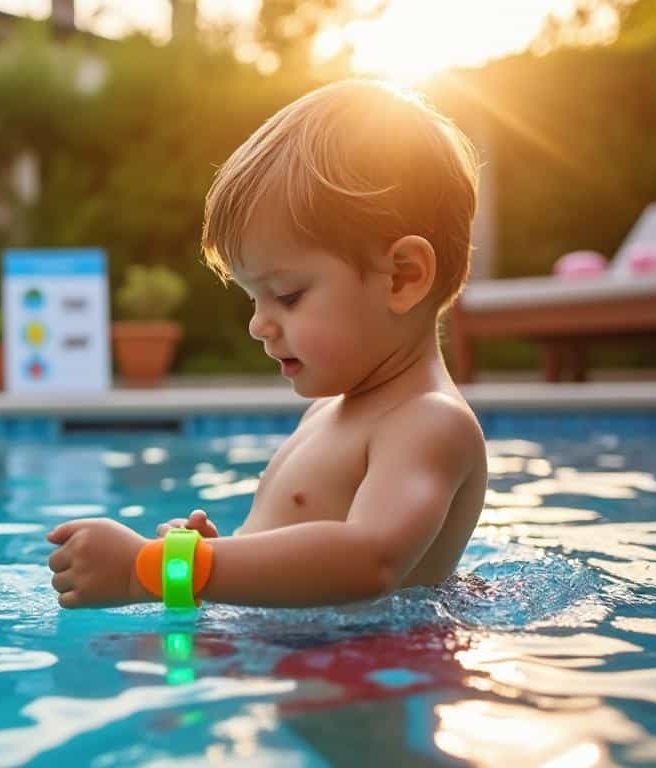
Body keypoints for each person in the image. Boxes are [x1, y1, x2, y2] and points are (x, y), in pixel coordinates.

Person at [47, 80, 488, 608]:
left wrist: (161, 568)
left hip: (362, 675)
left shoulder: (429, 422)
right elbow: (296, 561)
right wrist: (217, 556)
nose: (259, 324)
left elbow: (369, 559)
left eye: (287, 295)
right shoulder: (328, 414)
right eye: (253, 299)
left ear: (402, 277)